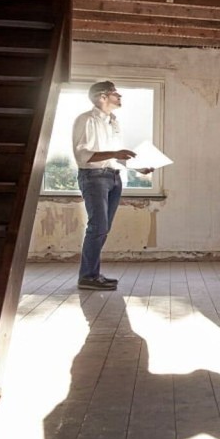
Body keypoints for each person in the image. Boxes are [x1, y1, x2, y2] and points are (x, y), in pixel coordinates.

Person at [72, 81, 152, 291]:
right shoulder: (86, 119)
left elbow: (114, 155)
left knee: (103, 228)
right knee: (97, 226)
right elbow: (82, 155)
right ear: (102, 97)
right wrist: (116, 154)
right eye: (116, 94)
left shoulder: (113, 121)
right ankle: (87, 277)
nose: (120, 98)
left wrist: (137, 167)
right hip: (94, 177)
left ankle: (93, 275)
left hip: (114, 176)